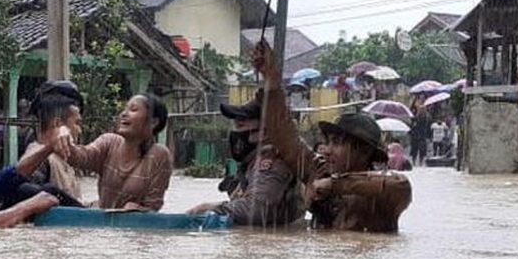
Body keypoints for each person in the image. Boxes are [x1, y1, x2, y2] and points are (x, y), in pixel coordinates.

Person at [256, 44, 412, 233]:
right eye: (328, 141)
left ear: (364, 151)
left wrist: (336, 186)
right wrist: (271, 80)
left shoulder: (383, 194)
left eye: (337, 143)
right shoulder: (319, 171)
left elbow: (400, 185)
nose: (327, 150)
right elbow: (285, 137)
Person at [187, 92, 303, 227]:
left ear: (264, 132)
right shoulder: (255, 161)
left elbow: (256, 211)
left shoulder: (270, 163)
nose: (236, 134)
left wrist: (210, 207)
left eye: (241, 126)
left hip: (266, 242)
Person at [55, 94, 172, 211]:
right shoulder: (109, 142)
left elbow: (153, 207)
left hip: (133, 225)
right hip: (103, 222)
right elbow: (79, 157)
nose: (124, 114)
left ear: (153, 122)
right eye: (125, 109)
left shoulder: (159, 155)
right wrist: (62, 131)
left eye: (133, 109)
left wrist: (140, 209)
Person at [24, 80, 85, 204]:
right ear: (58, 123)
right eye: (77, 123)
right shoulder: (39, 160)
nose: (80, 130)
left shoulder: (64, 158)